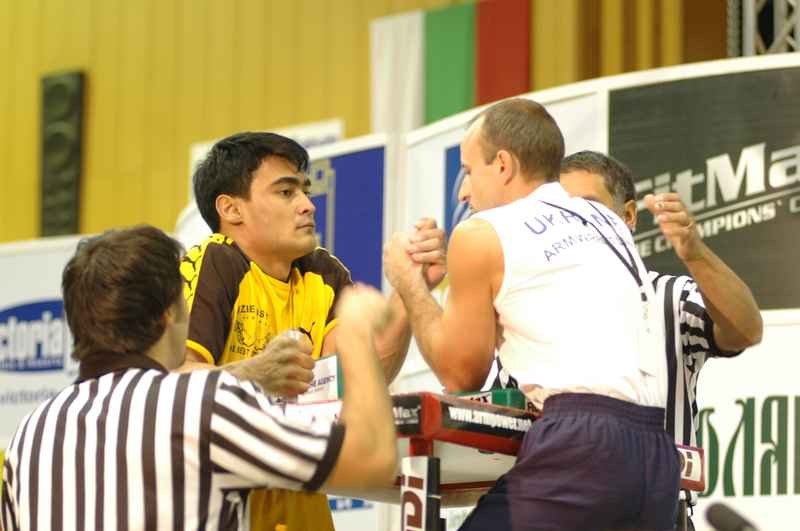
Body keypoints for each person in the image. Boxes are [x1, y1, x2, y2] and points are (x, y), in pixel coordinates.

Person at [384, 98, 680, 531]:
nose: (464, 193)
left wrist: (409, 283)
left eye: (468, 171)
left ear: (503, 165)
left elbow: (460, 373)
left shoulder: (481, 234)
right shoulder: (606, 220)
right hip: (656, 455)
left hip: (582, 445)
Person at [0, 225, 397, 531]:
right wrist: (356, 334)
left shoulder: (31, 434)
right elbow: (371, 462)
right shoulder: (200, 403)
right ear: (168, 314)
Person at [180, 131, 444, 531]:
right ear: (231, 209)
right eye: (286, 192)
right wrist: (256, 375)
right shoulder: (213, 261)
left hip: (302, 508)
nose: (307, 204)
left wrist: (410, 288)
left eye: (304, 191)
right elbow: (176, 385)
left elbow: (359, 379)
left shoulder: (323, 271)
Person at [559, 150, 763, 530]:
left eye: (590, 207)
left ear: (628, 215)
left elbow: (746, 330)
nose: (578, 223)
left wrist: (694, 252)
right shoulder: (531, 308)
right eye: (564, 212)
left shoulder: (669, 297)